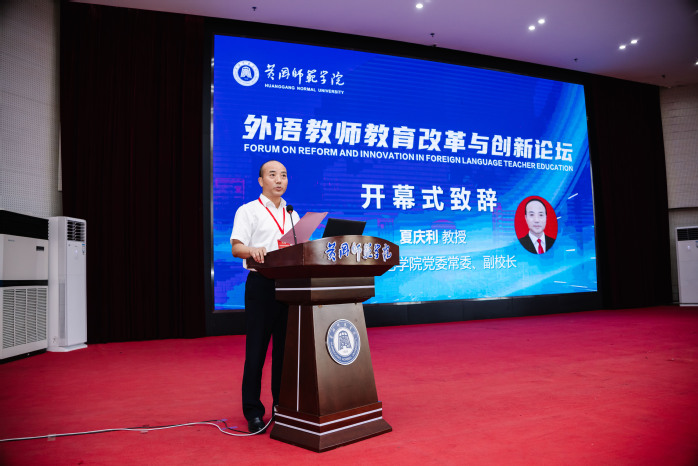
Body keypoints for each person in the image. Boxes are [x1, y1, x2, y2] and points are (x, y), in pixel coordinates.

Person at [230, 160, 300, 434]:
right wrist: (252, 250)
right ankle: (253, 412)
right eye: (273, 175)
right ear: (261, 181)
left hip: (288, 287)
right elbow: (236, 248)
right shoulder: (248, 210)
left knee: (284, 353)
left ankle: (281, 407)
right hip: (261, 286)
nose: (279, 180)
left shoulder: (292, 214)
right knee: (256, 352)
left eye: (283, 175)